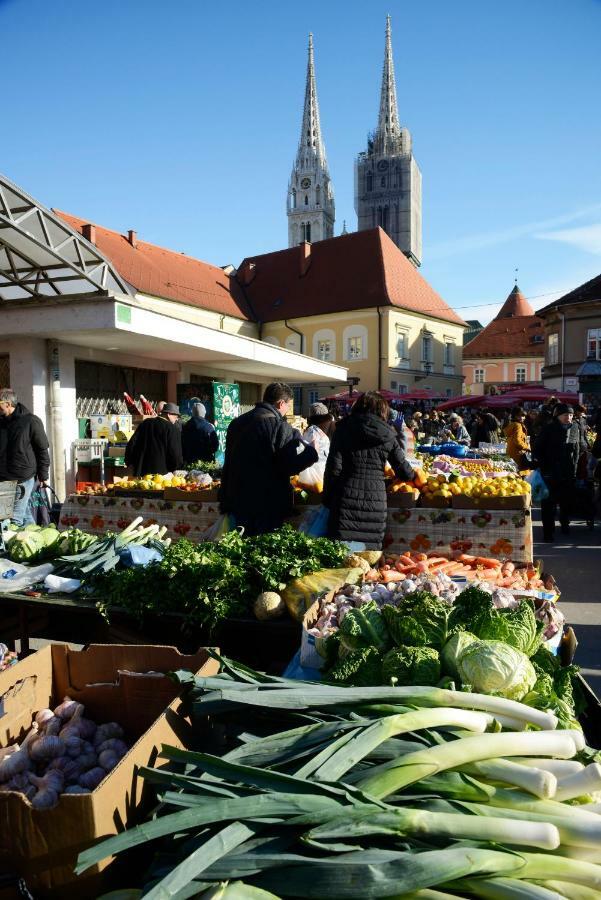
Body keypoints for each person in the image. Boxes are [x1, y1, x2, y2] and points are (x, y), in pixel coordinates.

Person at [218, 382, 318, 536]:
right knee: (263, 550)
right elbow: (289, 466)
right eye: (288, 405)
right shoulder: (280, 427)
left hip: (237, 499)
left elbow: (228, 462)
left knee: (239, 549)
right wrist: (311, 452)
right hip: (267, 503)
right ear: (281, 403)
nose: (287, 411)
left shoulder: (236, 423)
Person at [323, 391, 415, 549]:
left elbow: (333, 469)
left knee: (341, 561)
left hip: (345, 500)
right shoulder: (387, 434)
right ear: (383, 411)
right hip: (375, 502)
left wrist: (327, 500)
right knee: (367, 559)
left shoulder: (343, 429)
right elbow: (406, 472)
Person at [0, 389, 50, 526]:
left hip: (22, 477)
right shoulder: (1, 423)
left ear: (7, 403)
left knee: (13, 519)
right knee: (19, 515)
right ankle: (36, 540)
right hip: (4, 477)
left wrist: (43, 474)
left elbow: (42, 449)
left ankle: (10, 547)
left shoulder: (31, 421)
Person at [534, 403, 580, 542]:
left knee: (566, 501)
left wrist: (575, 468)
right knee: (548, 504)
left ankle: (565, 524)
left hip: (568, 471)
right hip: (550, 472)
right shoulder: (548, 428)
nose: (569, 417)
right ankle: (548, 532)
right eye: (566, 415)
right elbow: (537, 449)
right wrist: (545, 466)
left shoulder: (575, 428)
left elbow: (577, 449)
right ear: (557, 416)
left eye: (571, 415)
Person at [124, 402, 183, 476]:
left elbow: (132, 444)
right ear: (169, 414)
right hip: (161, 476)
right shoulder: (172, 429)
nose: (177, 419)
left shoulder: (145, 423)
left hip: (141, 472)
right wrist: (174, 468)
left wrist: (129, 462)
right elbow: (176, 455)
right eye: (176, 416)